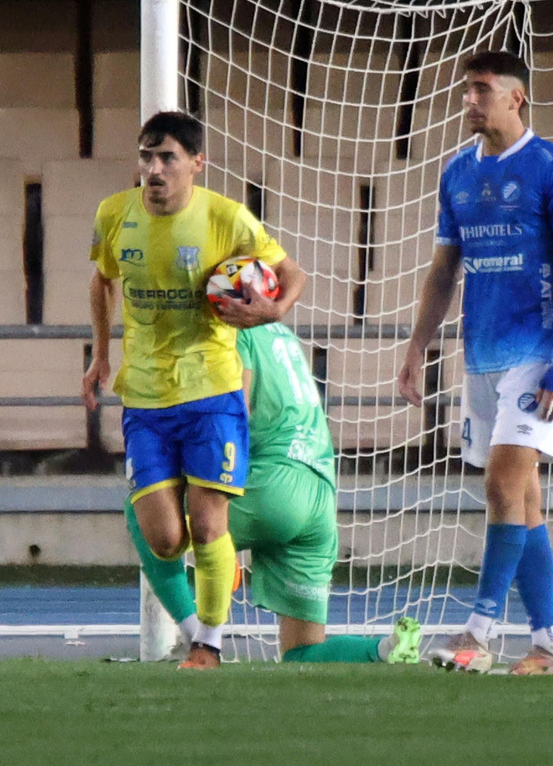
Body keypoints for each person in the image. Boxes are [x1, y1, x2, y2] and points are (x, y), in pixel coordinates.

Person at [81, 110, 307, 670]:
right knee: (163, 539)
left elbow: (293, 273)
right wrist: (101, 354)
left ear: (195, 164)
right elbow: (102, 281)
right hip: (146, 397)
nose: (152, 170)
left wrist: (273, 309)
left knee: (208, 523)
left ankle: (207, 644)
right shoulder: (114, 214)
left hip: (212, 390)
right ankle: (216, 571)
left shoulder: (227, 218)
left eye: (167, 159)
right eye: (146, 157)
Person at [397, 50, 553, 676]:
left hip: (536, 354)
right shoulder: (456, 174)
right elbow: (441, 274)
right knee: (525, 502)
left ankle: (477, 634)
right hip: (479, 353)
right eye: (466, 90)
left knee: (502, 486)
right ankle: (550, 648)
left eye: (482, 89)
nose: (470, 101)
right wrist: (416, 347)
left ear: (517, 98)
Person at [128, 321, 422, 664]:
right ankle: (385, 651)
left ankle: (197, 637)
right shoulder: (279, 332)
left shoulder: (230, 332)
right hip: (318, 494)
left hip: (272, 485)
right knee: (302, 652)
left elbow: (236, 418)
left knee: (144, 504)